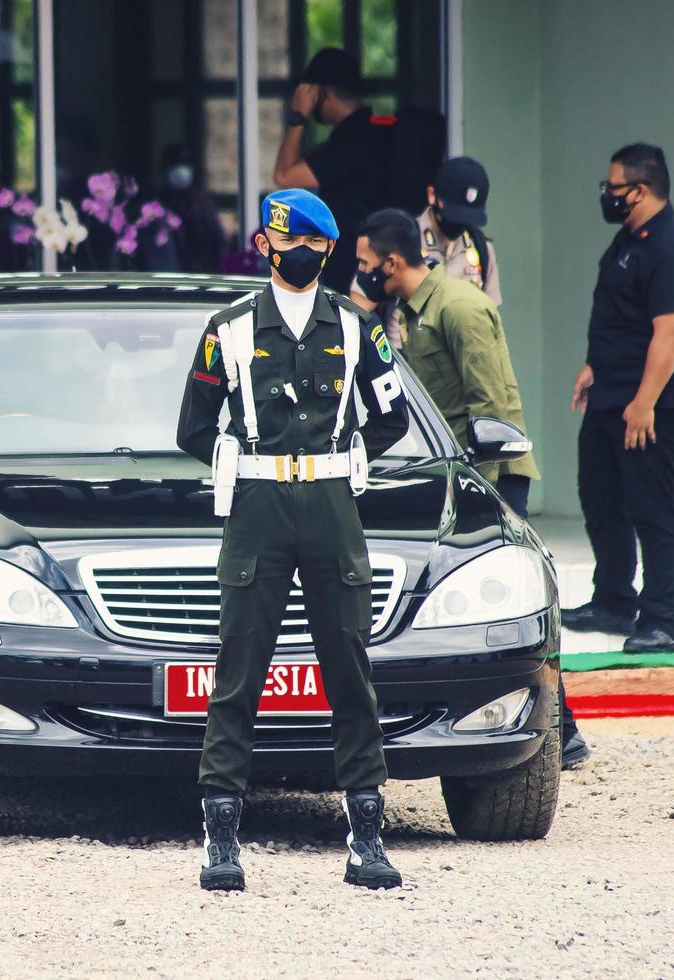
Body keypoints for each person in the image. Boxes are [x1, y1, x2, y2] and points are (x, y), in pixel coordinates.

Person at [177, 188, 408, 893]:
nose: (295, 254)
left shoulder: (357, 326)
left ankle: (366, 838)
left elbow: (391, 414)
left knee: (349, 666)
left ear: (328, 250)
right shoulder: (230, 328)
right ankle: (221, 842)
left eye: (308, 245)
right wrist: (239, 463)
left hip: (333, 502)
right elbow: (193, 427)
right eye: (284, 243)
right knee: (239, 666)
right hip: (258, 502)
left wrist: (350, 453)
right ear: (264, 247)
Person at [355, 207, 590, 769]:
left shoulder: (460, 307)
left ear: (391, 261)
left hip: (489, 475)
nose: (360, 272)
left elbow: (492, 407)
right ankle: (568, 732)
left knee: (516, 606)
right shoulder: (406, 309)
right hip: (451, 469)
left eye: (365, 263)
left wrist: (475, 495)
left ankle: (560, 732)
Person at [563, 144, 674, 654]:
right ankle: (614, 600)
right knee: (600, 496)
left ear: (640, 190)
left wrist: (643, 403)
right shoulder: (629, 239)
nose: (607, 195)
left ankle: (661, 620)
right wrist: (593, 365)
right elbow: (620, 314)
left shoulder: (669, 246)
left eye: (613, 187)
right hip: (612, 392)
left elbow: (669, 333)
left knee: (651, 507)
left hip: (654, 403)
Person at [271, 48, 388, 293]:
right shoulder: (374, 132)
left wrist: (298, 115)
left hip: (353, 266)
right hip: (376, 260)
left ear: (322, 93)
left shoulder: (352, 139)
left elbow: (284, 176)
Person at [354, 156, 502, 346]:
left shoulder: (481, 248)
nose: (459, 224)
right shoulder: (400, 238)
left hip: (460, 358)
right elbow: (359, 306)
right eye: (455, 214)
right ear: (432, 195)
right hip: (406, 358)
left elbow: (490, 316)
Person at [155, 144, 225, 273]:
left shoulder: (202, 201)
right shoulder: (158, 202)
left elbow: (217, 240)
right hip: (168, 272)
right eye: (175, 165)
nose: (180, 170)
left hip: (202, 272)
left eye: (184, 164)